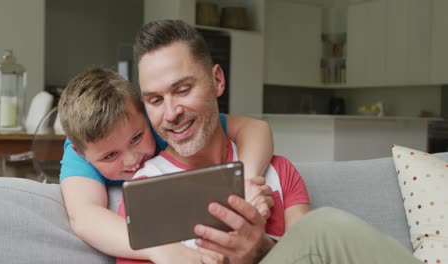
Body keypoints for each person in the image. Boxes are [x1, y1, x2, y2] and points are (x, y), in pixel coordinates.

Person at [117, 19, 421, 264]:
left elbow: (312, 254)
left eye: (183, 90)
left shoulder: (278, 172)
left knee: (320, 228)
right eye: (155, 100)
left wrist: (259, 249)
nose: (171, 113)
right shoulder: (143, 192)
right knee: (324, 225)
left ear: (217, 81)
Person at [58, 67, 275, 260]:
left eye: (136, 138)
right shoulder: (81, 147)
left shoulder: (162, 124)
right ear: (80, 153)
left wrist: (243, 183)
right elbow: (85, 216)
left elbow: (256, 128)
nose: (132, 159)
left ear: (145, 111)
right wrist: (159, 248)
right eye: (110, 156)